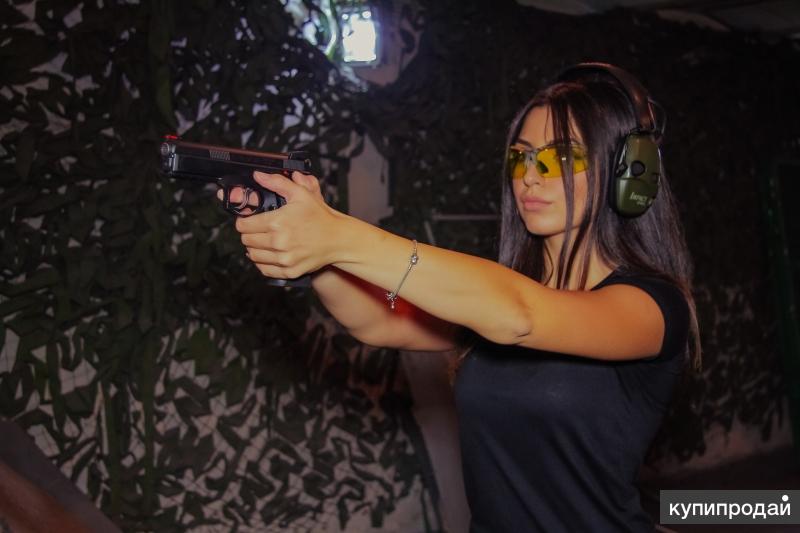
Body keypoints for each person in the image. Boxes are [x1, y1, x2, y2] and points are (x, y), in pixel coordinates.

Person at [226, 63, 700, 532]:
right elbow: (378, 322)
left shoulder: (653, 307)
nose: (530, 176)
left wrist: (337, 235)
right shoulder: (492, 301)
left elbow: (521, 316)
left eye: (561, 157)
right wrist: (316, 255)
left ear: (626, 172)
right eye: (521, 157)